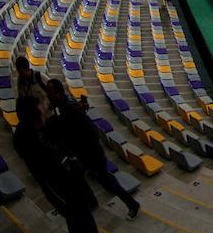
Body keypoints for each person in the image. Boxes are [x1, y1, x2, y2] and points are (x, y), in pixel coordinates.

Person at [13, 96, 104, 233]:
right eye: (41, 106)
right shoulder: (36, 142)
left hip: (59, 193)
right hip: (66, 192)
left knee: (76, 227)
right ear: (34, 112)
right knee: (84, 228)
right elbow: (64, 165)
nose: (44, 109)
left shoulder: (25, 133)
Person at [45, 80, 141, 220]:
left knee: (105, 180)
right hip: (83, 153)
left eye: (50, 92)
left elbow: (86, 130)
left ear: (58, 94)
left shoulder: (68, 109)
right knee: (93, 178)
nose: (47, 95)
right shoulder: (64, 107)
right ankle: (93, 202)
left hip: (91, 152)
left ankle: (132, 204)